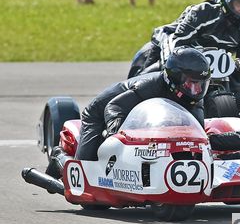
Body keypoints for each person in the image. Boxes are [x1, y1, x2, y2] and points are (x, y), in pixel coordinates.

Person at [45, 47, 211, 178]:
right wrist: (116, 133)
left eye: (201, 84)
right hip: (101, 113)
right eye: (191, 83)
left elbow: (197, 134)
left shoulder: (194, 98)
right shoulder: (150, 85)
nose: (196, 90)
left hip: (139, 119)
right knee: (85, 170)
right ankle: (59, 157)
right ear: (175, 78)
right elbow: (114, 107)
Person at [128, 0, 240, 113]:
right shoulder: (204, 12)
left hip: (213, 71)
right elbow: (178, 40)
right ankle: (132, 102)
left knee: (239, 97)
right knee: (149, 81)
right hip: (182, 58)